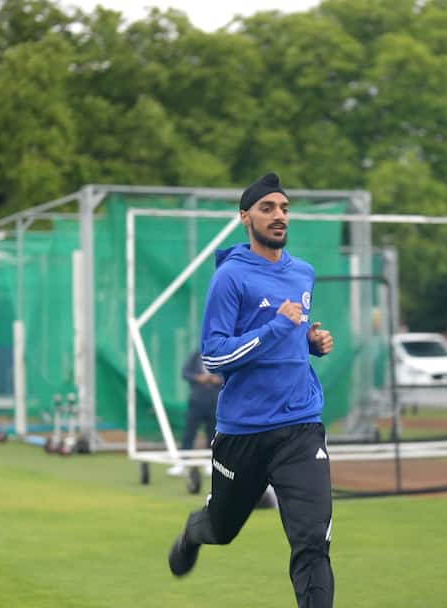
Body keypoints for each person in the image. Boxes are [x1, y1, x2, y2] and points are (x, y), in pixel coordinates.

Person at [167, 172, 336, 608]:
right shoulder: (230, 278)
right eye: (267, 208)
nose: (279, 215)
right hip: (243, 431)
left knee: (312, 541)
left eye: (283, 208)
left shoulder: (303, 273)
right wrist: (277, 325)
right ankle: (193, 531)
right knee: (221, 530)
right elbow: (215, 356)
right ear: (245, 217)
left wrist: (309, 343)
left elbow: (290, 339)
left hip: (301, 426)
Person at [166, 350, 222, 477]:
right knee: (189, 433)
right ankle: (182, 463)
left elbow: (227, 376)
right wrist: (198, 377)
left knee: (213, 435)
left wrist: (217, 379)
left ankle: (210, 464)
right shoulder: (196, 355)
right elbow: (185, 373)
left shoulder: (221, 355)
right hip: (196, 402)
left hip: (215, 402)